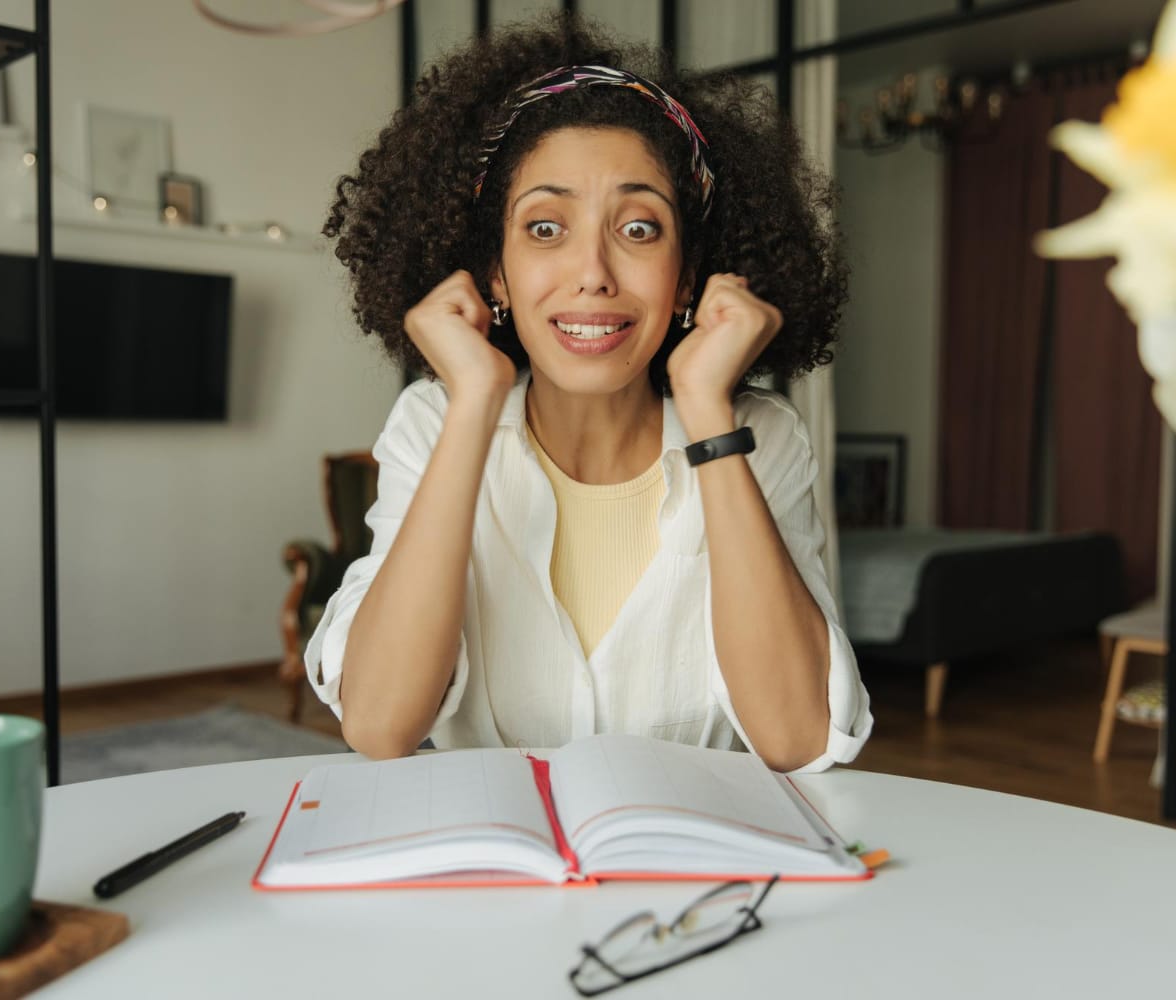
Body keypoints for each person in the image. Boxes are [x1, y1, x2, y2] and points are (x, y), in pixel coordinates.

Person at [305, 14, 871, 773]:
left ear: (689, 280)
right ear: (495, 272)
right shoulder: (435, 422)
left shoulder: (758, 438)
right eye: (545, 229)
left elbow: (798, 737)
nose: (594, 272)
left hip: (693, 876)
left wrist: (707, 411)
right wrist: (472, 402)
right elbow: (379, 724)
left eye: (639, 229)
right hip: (495, 874)